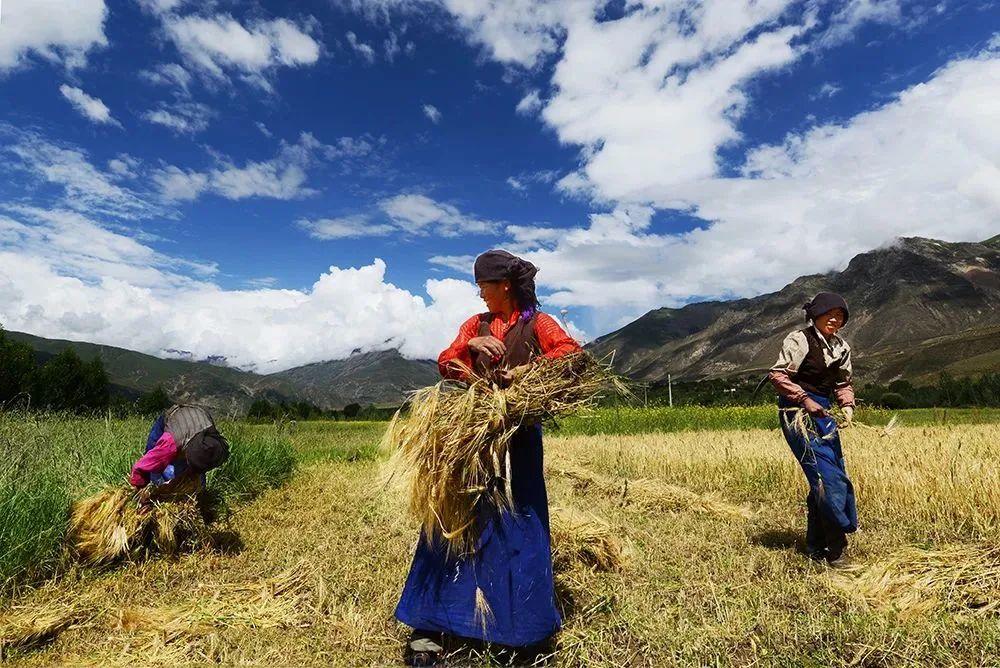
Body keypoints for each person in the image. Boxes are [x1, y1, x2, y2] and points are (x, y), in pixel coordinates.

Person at [395, 249, 581, 666]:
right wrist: (469, 345)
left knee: (520, 522)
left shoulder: (539, 323)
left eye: (485, 286)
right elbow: (448, 364)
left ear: (506, 286)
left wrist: (524, 375)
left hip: (518, 435)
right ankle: (431, 624)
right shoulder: (474, 324)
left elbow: (569, 354)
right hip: (473, 436)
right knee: (453, 520)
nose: (480, 294)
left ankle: (523, 634)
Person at [768, 292, 858, 565]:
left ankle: (815, 546)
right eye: (829, 314)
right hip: (796, 412)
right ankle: (836, 548)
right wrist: (805, 400)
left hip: (824, 412)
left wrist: (847, 405)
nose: (835, 319)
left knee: (834, 471)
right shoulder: (799, 340)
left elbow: (843, 383)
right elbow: (778, 375)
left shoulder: (841, 347)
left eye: (840, 316)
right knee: (824, 476)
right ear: (815, 315)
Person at [130, 404, 230, 512]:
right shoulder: (168, 446)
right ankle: (157, 503)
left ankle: (193, 508)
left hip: (194, 420)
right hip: (171, 424)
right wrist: (141, 493)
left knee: (195, 482)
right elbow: (140, 468)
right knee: (160, 473)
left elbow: (200, 465)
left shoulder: (213, 444)